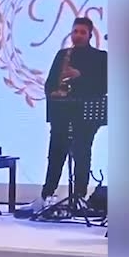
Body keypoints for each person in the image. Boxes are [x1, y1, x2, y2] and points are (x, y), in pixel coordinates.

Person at [37, 17, 107, 209]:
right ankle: (47, 195)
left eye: (82, 32)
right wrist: (53, 92)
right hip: (62, 111)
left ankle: (79, 197)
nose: (78, 35)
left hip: (85, 113)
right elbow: (49, 83)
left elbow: (103, 86)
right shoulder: (62, 55)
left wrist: (79, 76)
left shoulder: (101, 57)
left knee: (82, 154)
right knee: (55, 153)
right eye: (75, 31)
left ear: (90, 35)